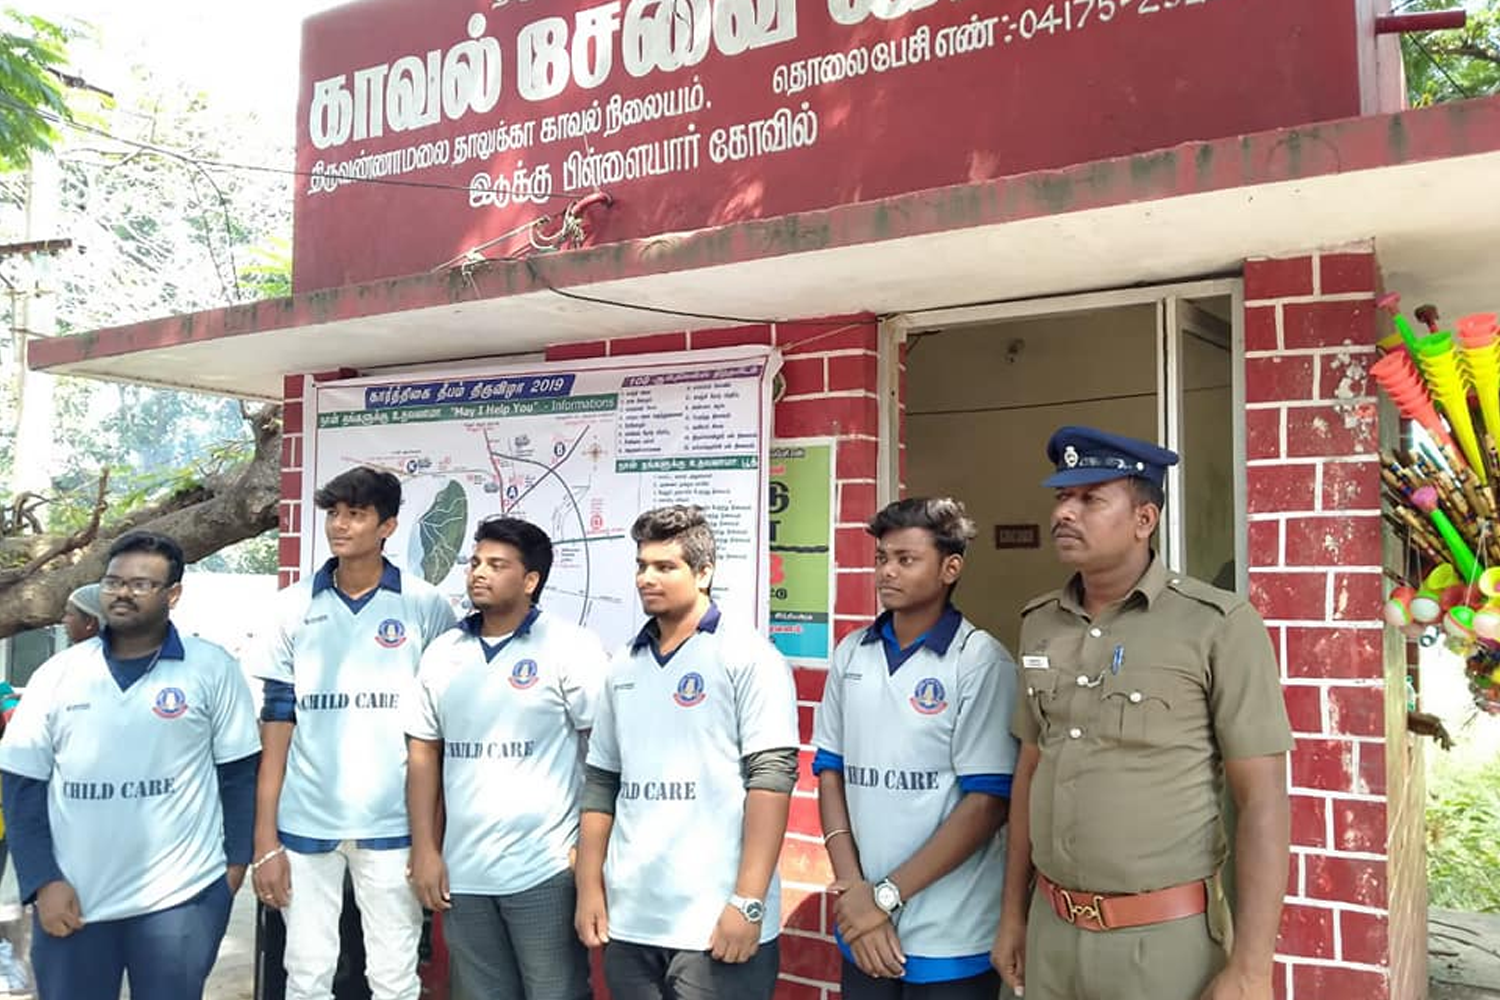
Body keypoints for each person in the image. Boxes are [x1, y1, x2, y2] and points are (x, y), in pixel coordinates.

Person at [990, 427, 1293, 1000]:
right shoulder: (1040, 623)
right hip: (1051, 930)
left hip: (1162, 943)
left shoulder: (1216, 625)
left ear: (1144, 519)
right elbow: (1030, 770)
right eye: (1062, 497)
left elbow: (1263, 799)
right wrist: (1012, 914)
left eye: (1090, 498)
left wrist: (1252, 968)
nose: (1064, 513)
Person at [0, 530, 261, 1000]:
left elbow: (239, 777)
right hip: (74, 898)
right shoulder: (59, 675)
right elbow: (22, 785)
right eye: (113, 582)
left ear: (173, 595)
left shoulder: (211, 669)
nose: (123, 593)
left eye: (141, 584)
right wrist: (42, 881)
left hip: (181, 899)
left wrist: (233, 869)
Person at [249, 467, 457, 1000]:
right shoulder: (291, 607)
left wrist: (429, 839)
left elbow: (437, 735)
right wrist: (265, 840)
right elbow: (277, 725)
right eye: (334, 514)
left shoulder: (426, 605)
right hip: (305, 822)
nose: (339, 525)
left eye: (356, 514)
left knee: (393, 978)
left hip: (393, 825)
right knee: (306, 975)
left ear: (387, 526)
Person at [575, 505, 799, 1000]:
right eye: (641, 565)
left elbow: (771, 781)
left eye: (665, 566)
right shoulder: (623, 664)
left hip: (715, 923)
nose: (646, 578)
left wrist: (749, 902)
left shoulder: (748, 656)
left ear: (703, 573)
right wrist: (590, 886)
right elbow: (602, 782)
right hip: (632, 921)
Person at [812, 498, 1019, 1000]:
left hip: (951, 935)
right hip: (864, 931)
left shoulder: (979, 660)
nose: (887, 571)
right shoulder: (852, 652)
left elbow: (987, 803)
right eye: (882, 558)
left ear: (951, 568)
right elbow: (830, 772)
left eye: (906, 559)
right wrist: (855, 893)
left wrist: (884, 896)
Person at [406, 516, 606, 1000]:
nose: (479, 573)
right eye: (475, 562)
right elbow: (424, 752)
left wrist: (588, 858)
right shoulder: (443, 653)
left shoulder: (569, 647)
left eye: (497, 565)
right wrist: (426, 849)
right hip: (464, 874)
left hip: (545, 870)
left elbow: (605, 754)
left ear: (531, 580)